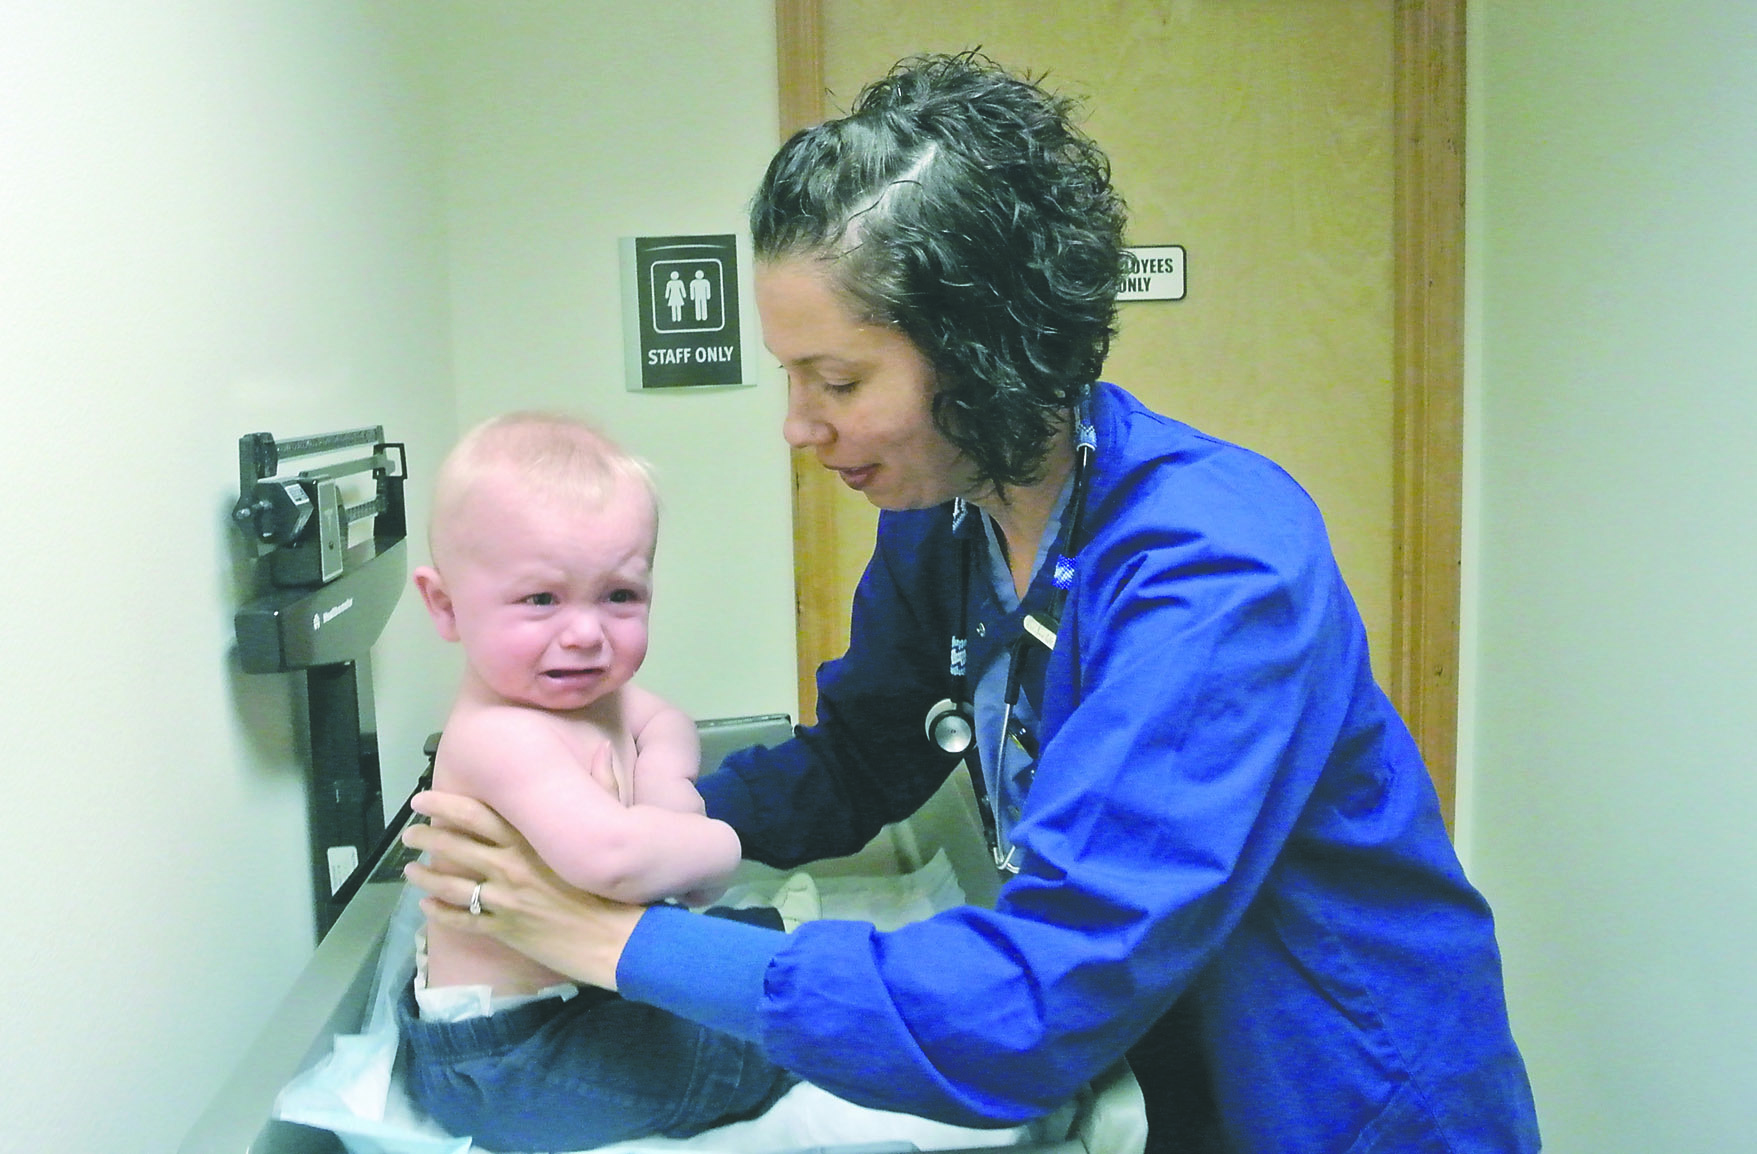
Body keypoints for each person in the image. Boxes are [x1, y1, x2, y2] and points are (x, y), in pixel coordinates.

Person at [403, 52, 1541, 1154]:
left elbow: (1044, 993)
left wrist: (613, 938)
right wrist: (587, 825)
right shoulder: (946, 516)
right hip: (1153, 1067)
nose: (798, 426)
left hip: (1333, 1095)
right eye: (791, 376)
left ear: (983, 352)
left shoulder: (1214, 567)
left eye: (837, 381)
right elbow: (857, 763)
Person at [399, 412, 794, 1151]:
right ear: (445, 605)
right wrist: (715, 843)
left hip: (579, 995)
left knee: (757, 955)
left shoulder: (586, 692)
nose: (585, 633)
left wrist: (667, 790)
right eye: (541, 599)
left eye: (618, 595)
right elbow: (612, 861)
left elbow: (666, 722)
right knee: (756, 1044)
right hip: (515, 1058)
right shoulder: (500, 734)